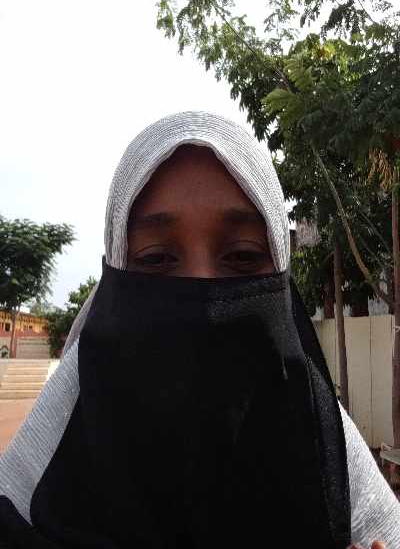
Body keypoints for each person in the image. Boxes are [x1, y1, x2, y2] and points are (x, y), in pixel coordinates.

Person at [0, 111, 398, 548]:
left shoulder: (342, 492)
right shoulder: (21, 517)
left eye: (243, 256)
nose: (204, 294)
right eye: (157, 259)